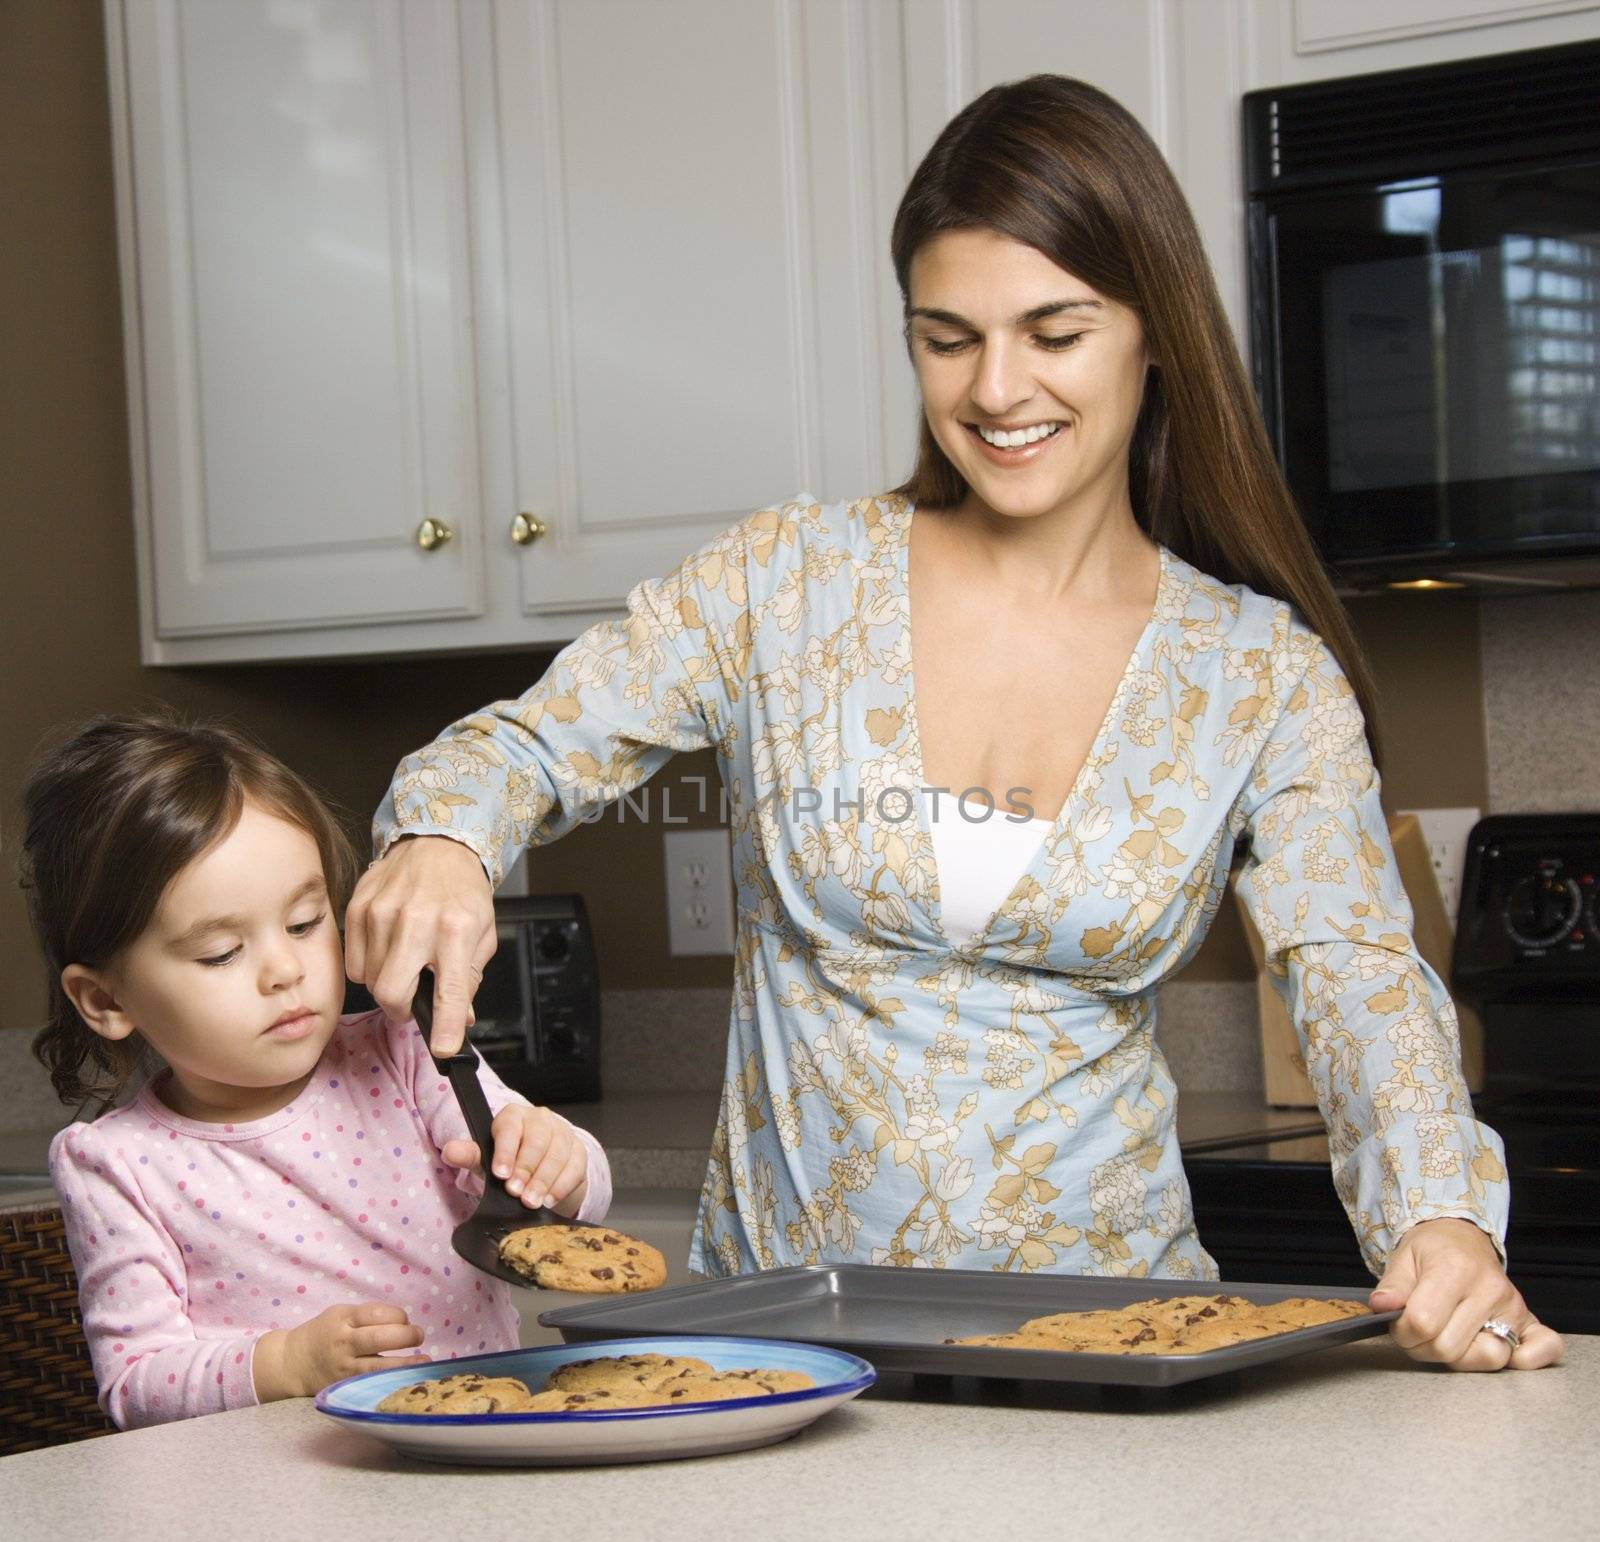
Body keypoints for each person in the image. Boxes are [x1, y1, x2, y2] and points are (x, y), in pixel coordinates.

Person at [348, 76, 1558, 1372]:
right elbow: (521, 748)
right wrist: (444, 839)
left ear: (1153, 332)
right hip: (776, 1367)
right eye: (948, 336)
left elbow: (1364, 982)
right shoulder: (786, 585)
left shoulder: (1264, 676)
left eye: (1054, 330)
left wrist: (1440, 1221)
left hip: (1114, 1361)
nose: (996, 388)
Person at [21, 711, 612, 1429]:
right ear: (106, 998)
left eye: (304, 924)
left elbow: (556, 1209)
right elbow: (136, 1384)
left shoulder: (407, 1055)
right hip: (277, 1503)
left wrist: (562, 1163)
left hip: (483, 1450)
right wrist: (285, 1364)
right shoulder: (116, 1165)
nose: (284, 970)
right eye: (220, 954)